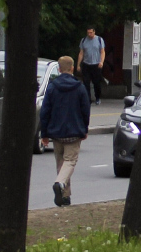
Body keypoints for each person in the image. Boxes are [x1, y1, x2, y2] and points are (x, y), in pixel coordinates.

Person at [38, 56, 90, 207]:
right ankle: (60, 184)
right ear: (72, 68)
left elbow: (45, 111)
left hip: (56, 132)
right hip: (74, 132)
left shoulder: (52, 87)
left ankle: (65, 196)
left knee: (61, 164)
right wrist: (84, 128)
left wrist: (45, 133)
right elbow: (85, 110)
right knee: (70, 162)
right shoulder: (79, 87)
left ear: (59, 69)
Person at [78, 27, 105, 105]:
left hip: (96, 64)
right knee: (86, 82)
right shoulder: (84, 40)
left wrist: (101, 62)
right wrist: (79, 64)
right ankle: (88, 99)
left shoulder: (99, 40)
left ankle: (97, 97)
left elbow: (102, 52)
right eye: (88, 33)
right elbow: (81, 53)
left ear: (94, 32)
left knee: (96, 82)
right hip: (86, 64)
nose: (89, 34)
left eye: (91, 32)